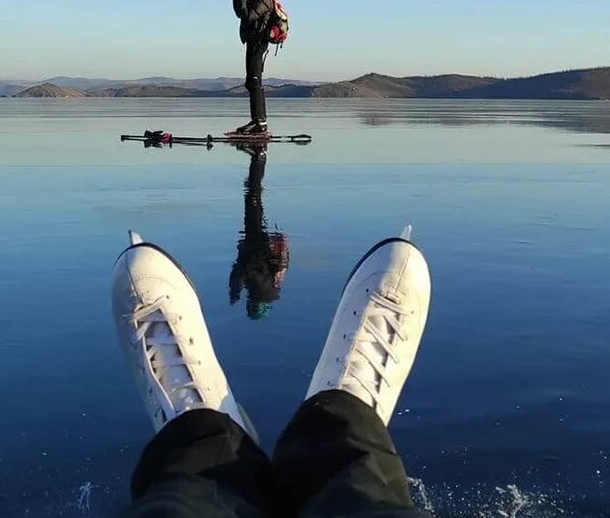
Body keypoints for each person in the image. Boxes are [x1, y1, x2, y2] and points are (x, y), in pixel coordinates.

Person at [111, 228, 433, 517]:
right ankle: (342, 429)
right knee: (359, 484)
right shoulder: (265, 284)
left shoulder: (260, 284)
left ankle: (203, 442)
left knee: (181, 496)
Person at [229, 145, 289, 320]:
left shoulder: (272, 287)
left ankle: (258, 162)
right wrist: (234, 291)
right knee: (253, 197)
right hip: (254, 242)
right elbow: (243, 270)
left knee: (255, 200)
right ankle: (258, 159)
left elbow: (280, 264)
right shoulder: (260, 288)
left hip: (260, 242)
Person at [232, 0, 280, 135]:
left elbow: (249, 16)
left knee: (254, 81)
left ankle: (260, 123)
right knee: (251, 82)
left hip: (259, 42)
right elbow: (241, 14)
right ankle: (256, 121)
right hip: (252, 40)